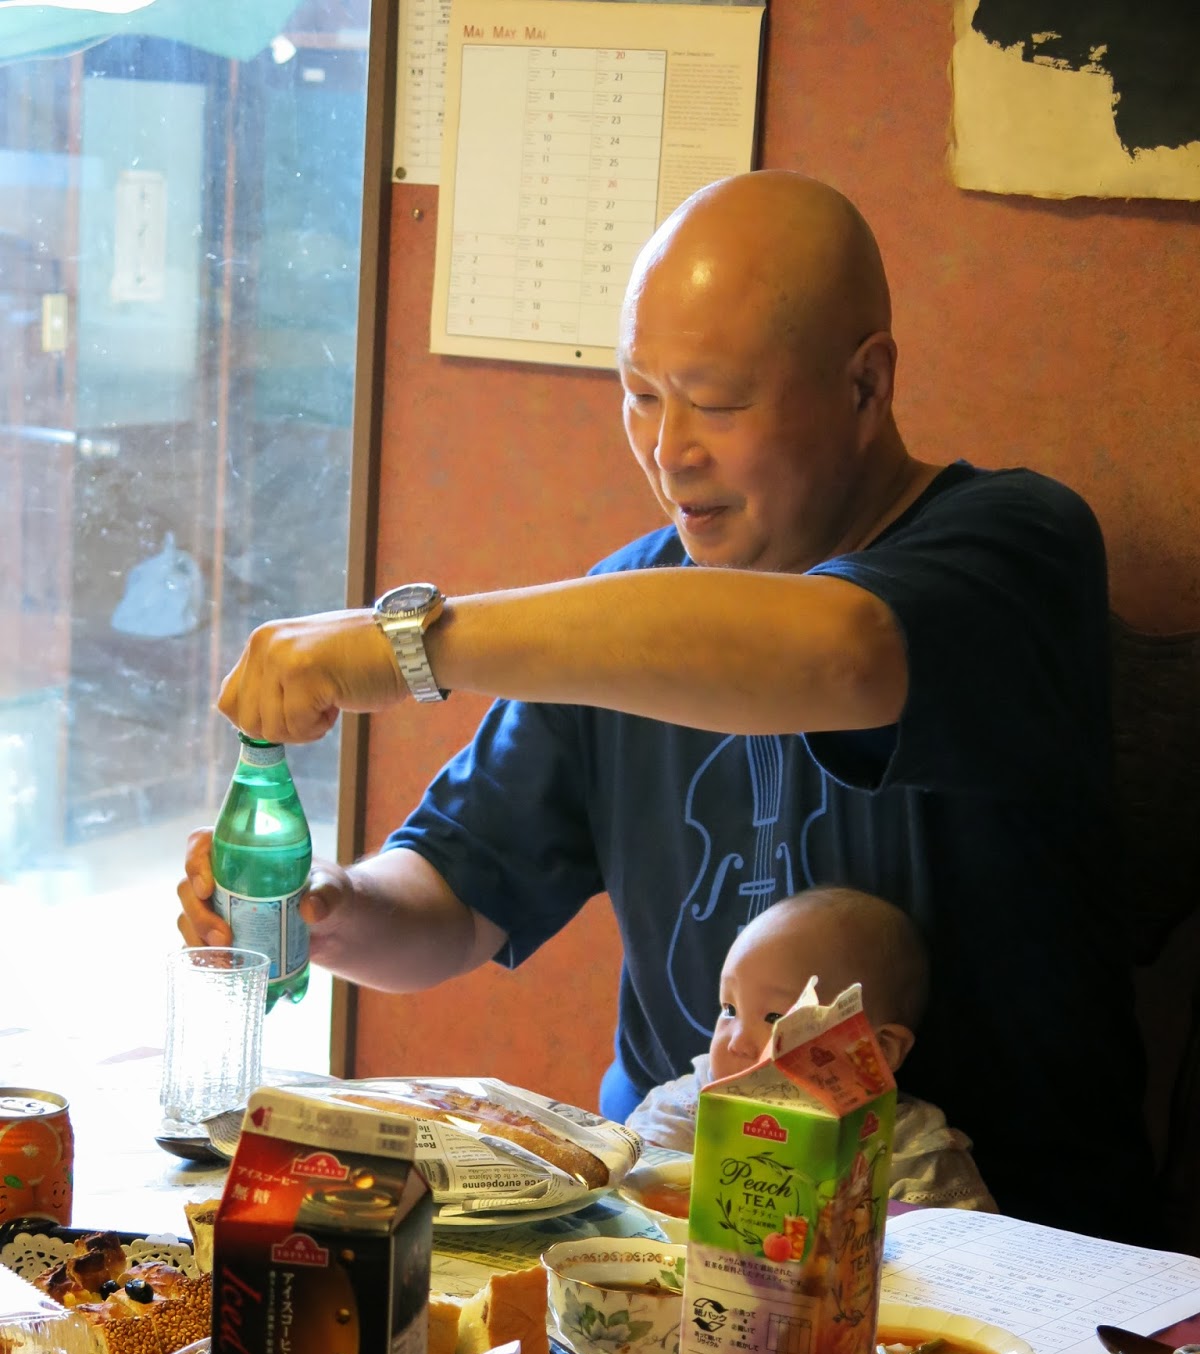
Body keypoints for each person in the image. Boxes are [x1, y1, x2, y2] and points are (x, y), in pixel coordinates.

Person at [178, 169, 1157, 1245]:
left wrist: (405, 644)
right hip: (675, 1236)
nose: (668, 449)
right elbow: (453, 902)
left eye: (719, 402)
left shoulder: (1016, 547)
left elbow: (836, 650)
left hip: (980, 1270)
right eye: (641, 395)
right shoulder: (628, 610)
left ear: (866, 384)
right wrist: (330, 908)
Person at [627, 887, 996, 1212]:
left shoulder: (909, 1148)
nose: (736, 1042)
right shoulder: (698, 1100)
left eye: (774, 1017)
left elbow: (962, 1240)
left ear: (877, 1049)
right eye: (730, 1010)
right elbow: (639, 1160)